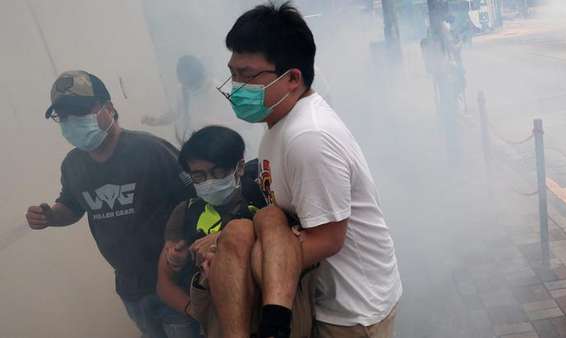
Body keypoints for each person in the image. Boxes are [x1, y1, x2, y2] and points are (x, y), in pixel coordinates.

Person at [206, 3, 403, 338]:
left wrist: (236, 265)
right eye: (233, 73)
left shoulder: (308, 137)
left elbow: (327, 239)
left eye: (248, 75)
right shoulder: (279, 124)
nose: (236, 86)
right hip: (318, 297)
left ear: (293, 78)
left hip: (350, 314)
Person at [25, 70, 200, 338]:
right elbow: (71, 206)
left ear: (108, 108)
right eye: (64, 116)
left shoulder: (150, 150)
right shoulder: (73, 165)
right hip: (131, 289)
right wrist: (50, 216)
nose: (72, 121)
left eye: (79, 110)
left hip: (175, 282)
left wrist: (184, 243)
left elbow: (195, 201)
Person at [157, 126, 314, 338]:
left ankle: (275, 320)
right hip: (222, 312)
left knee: (259, 222)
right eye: (199, 176)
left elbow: (303, 240)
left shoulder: (266, 195)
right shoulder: (186, 213)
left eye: (217, 172)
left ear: (239, 167)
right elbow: (164, 282)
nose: (209, 182)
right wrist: (196, 311)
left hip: (278, 305)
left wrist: (222, 239)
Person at [143, 55, 263, 159]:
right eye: (186, 83)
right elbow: (176, 112)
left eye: (193, 84)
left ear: (202, 76)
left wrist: (216, 124)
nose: (191, 87)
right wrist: (157, 121)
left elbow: (248, 121)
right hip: (201, 150)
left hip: (225, 148)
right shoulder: (184, 90)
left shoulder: (221, 90)